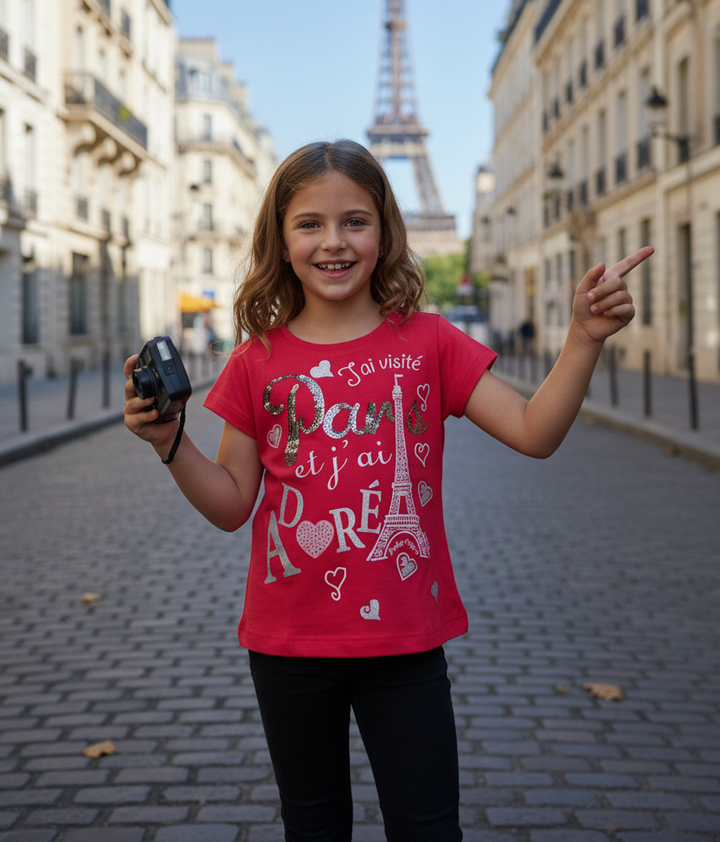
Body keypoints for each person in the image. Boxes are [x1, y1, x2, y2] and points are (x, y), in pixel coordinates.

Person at [124, 139, 653, 842]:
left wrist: (583, 338)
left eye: (355, 221)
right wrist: (171, 444)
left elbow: (534, 431)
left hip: (404, 641)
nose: (333, 241)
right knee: (313, 828)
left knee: (428, 828)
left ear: (385, 232)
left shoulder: (430, 341)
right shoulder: (256, 360)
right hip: (288, 645)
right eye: (309, 223)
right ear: (281, 240)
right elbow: (230, 506)